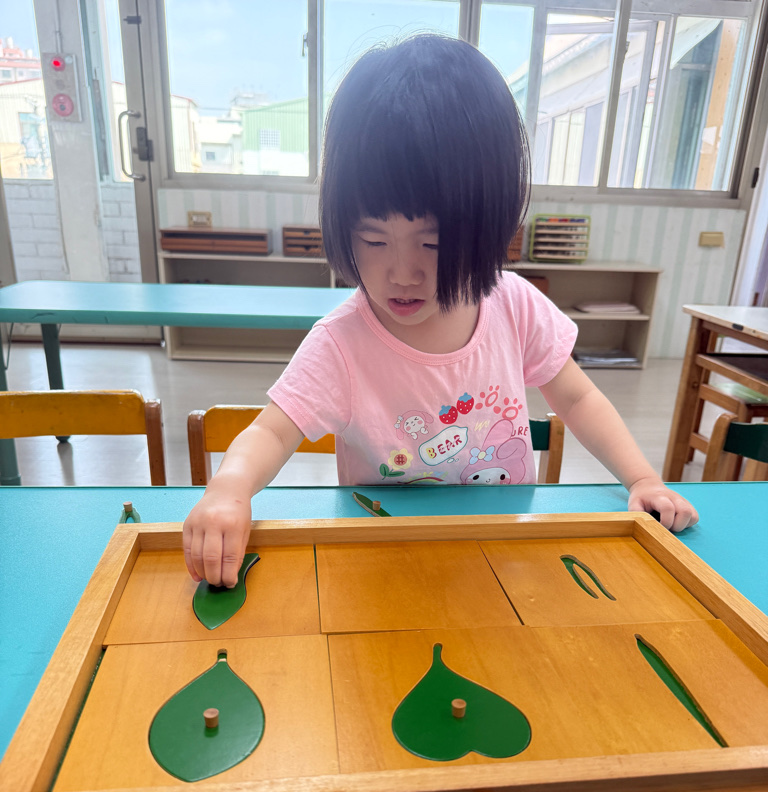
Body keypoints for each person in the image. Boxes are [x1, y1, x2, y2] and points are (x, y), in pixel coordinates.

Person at [183, 33, 697, 588]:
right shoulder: (342, 343)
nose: (403, 272)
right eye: (374, 240)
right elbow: (271, 433)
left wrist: (641, 478)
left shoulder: (513, 305)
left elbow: (577, 397)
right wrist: (229, 489)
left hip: (502, 552)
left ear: (488, 226)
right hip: (385, 560)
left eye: (433, 243)